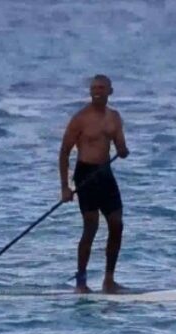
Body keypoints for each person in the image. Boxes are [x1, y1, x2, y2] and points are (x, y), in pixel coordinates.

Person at [58, 74, 130, 294]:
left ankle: (109, 280)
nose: (97, 91)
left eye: (101, 88)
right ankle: (81, 282)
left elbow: (120, 146)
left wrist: (122, 150)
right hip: (85, 174)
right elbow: (64, 153)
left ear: (110, 91)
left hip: (105, 174)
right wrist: (65, 188)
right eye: (94, 88)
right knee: (91, 227)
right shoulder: (80, 118)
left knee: (116, 224)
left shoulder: (115, 117)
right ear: (90, 92)